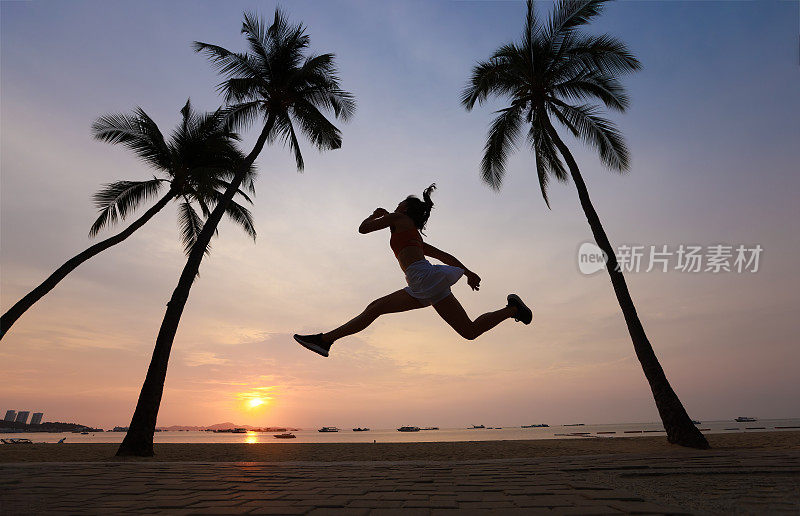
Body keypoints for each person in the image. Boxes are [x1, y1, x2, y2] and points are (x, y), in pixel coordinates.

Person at [294, 184, 532, 357]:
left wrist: (375, 215)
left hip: (423, 279)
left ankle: (325, 341)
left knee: (375, 308)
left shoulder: (398, 218)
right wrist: (468, 272)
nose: (397, 205)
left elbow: (363, 229)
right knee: (468, 331)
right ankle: (512, 309)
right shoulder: (412, 234)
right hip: (425, 284)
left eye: (400, 203)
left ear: (405, 209)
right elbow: (444, 255)